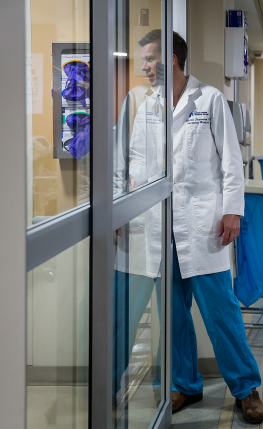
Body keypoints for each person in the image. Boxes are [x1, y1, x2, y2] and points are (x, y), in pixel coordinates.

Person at [170, 32, 263, 423]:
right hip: (165, 226)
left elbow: (231, 161)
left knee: (220, 312)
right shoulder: (150, 107)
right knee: (173, 314)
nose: (143, 67)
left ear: (172, 60)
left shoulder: (208, 99)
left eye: (149, 58)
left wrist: (232, 211)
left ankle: (247, 388)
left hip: (204, 224)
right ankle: (185, 384)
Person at [112, 28, 166, 408]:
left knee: (173, 320)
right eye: (143, 59)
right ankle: (110, 385)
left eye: (150, 58)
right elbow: (119, 162)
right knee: (123, 318)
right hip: (138, 225)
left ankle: (168, 387)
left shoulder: (193, 100)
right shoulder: (134, 100)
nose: (144, 67)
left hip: (175, 231)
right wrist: (117, 209)